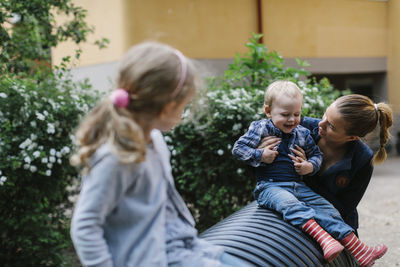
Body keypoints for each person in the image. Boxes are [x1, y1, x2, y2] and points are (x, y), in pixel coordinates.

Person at [70, 42, 248, 267]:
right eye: (185, 104)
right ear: (167, 108)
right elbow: (85, 225)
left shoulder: (154, 140)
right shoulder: (117, 158)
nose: (186, 111)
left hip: (181, 246)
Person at [232, 81, 388, 266]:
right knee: (291, 206)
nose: (320, 124)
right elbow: (248, 156)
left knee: (327, 214)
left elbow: (343, 207)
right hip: (283, 193)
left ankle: (357, 250)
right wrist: (260, 154)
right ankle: (325, 238)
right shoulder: (299, 126)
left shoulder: (362, 160)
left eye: (331, 126)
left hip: (333, 213)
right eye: (324, 115)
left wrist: (309, 168)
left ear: (352, 138)